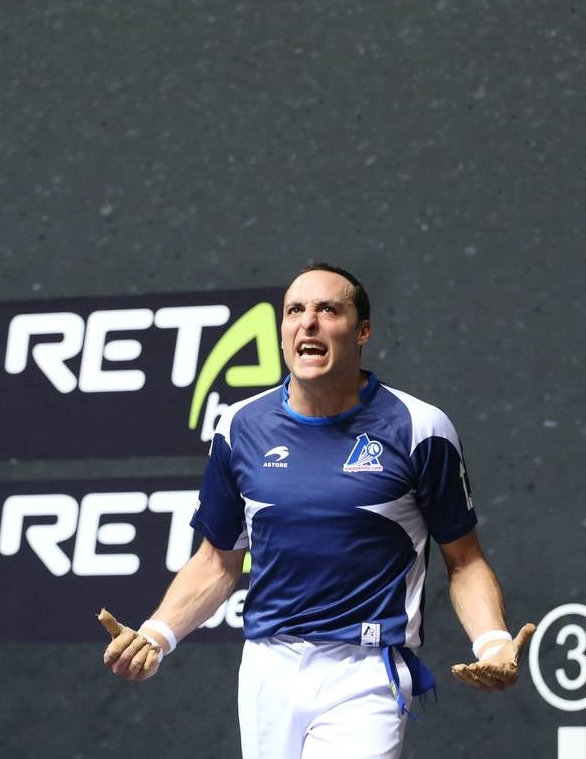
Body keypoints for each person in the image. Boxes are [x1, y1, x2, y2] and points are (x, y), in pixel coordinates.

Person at [100, 263, 533, 759]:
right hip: (268, 665)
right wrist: (156, 634)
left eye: (328, 310)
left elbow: (465, 559)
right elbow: (217, 561)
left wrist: (493, 641)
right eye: (295, 311)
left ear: (362, 331)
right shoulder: (240, 427)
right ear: (283, 331)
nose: (308, 322)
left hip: (367, 670)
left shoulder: (419, 427)